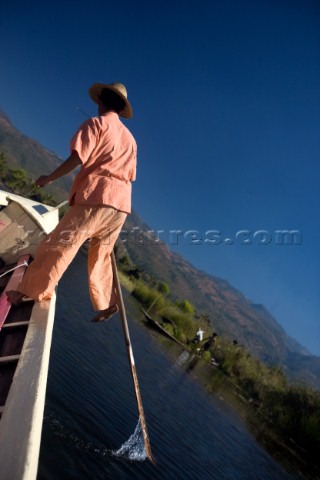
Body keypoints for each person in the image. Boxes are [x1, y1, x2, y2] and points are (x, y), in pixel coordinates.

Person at [6, 82, 137, 322]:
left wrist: (48, 178)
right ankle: (105, 302)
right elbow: (130, 175)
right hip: (120, 206)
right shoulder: (131, 141)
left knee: (58, 245)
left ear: (101, 102)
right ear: (120, 109)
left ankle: (27, 291)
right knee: (101, 255)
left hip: (97, 197)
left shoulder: (96, 124)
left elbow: (77, 158)